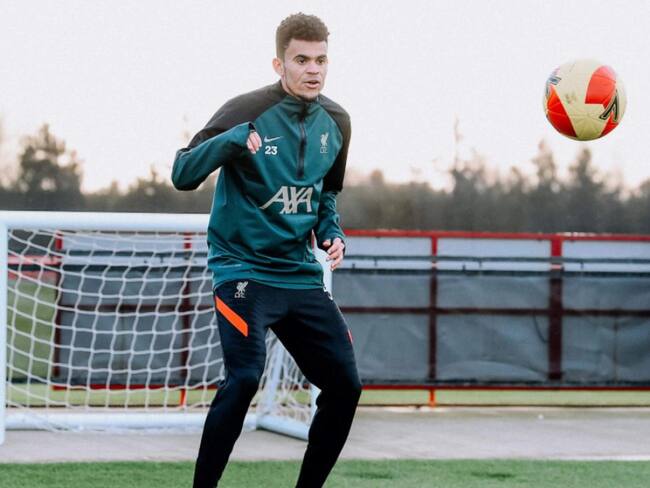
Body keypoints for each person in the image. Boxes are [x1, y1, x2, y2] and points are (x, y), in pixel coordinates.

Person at [171, 12, 361, 488]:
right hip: (242, 272)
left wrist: (331, 232)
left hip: (298, 276)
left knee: (345, 385)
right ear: (279, 64)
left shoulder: (338, 122)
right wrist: (232, 141)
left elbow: (326, 194)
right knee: (244, 378)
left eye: (320, 60)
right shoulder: (245, 110)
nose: (313, 70)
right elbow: (182, 173)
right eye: (302, 60)